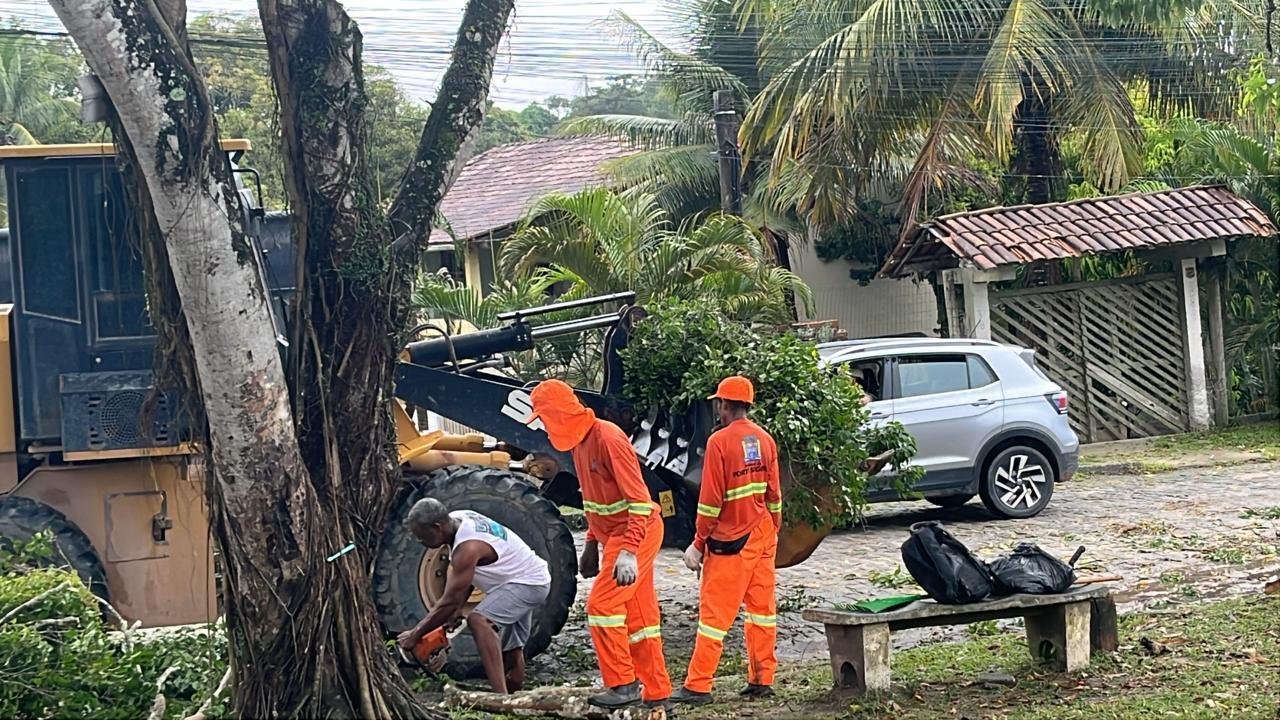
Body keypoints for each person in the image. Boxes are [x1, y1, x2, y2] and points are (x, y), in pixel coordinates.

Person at [526, 379, 671, 711]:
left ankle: (623, 684)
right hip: (618, 537)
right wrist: (591, 546)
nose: (545, 428)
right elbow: (595, 503)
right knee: (640, 619)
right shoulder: (579, 443)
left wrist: (629, 552)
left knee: (602, 607)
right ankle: (657, 692)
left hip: (637, 532)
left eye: (545, 419)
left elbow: (638, 500)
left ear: (560, 413)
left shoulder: (608, 438)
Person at [672, 375, 781, 705]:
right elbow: (774, 494)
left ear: (722, 404)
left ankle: (698, 686)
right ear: (747, 405)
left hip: (730, 542)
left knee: (714, 618)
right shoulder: (765, 440)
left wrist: (698, 543)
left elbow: (709, 502)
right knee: (762, 612)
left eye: (717, 403)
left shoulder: (720, 442)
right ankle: (762, 679)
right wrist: (771, 530)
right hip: (762, 535)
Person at [395, 498, 551, 693]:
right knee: (511, 648)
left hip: (527, 583)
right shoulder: (459, 517)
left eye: (422, 536)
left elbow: (448, 603)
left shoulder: (467, 548)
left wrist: (415, 634)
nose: (420, 542)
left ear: (437, 527)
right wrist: (459, 609)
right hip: (525, 576)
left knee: (479, 621)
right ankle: (515, 696)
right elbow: (467, 579)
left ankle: (500, 700)